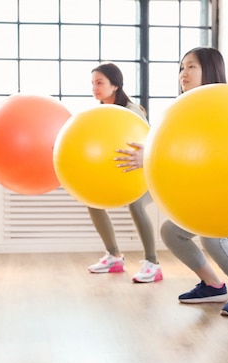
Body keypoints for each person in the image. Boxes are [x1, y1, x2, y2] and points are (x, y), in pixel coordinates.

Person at [115, 47, 228, 316]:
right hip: (207, 196)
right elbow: (177, 150)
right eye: (182, 67)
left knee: (211, 235)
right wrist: (147, 155)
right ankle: (213, 285)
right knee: (172, 232)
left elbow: (219, 151)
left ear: (211, 70)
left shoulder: (225, 105)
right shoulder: (182, 111)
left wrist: (148, 155)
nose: (184, 73)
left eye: (191, 66)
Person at [87, 62, 163, 283]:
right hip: (121, 172)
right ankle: (114, 257)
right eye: (93, 83)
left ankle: (153, 263)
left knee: (136, 204)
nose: (95, 88)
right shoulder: (100, 113)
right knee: (92, 200)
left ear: (115, 85)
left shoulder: (132, 111)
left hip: (145, 172)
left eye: (100, 82)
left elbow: (150, 144)